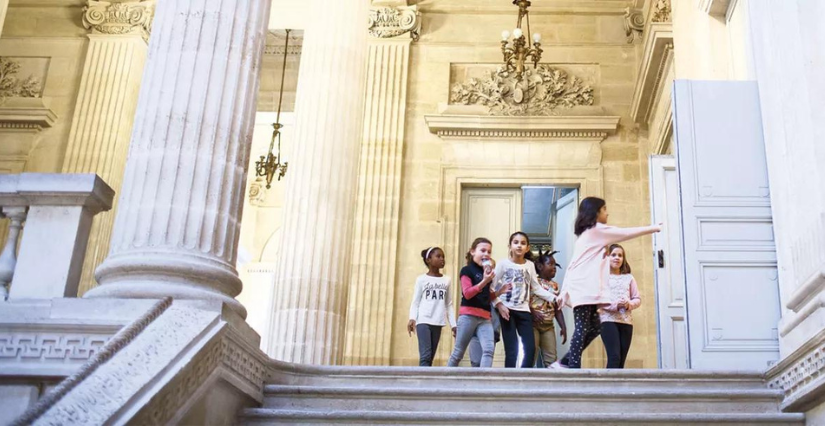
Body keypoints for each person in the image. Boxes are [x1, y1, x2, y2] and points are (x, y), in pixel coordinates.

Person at [552, 197, 660, 369]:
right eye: (604, 209)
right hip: (584, 288)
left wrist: (565, 290)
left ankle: (565, 362)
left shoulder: (586, 235)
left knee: (595, 327)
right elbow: (625, 233)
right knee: (582, 327)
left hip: (583, 287)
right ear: (596, 212)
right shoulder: (595, 230)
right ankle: (571, 367)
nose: (607, 213)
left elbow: (573, 264)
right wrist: (654, 228)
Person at [492, 232, 557, 368]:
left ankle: (524, 377)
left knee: (530, 349)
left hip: (524, 311)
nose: (519, 246)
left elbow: (536, 288)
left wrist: (556, 298)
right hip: (507, 311)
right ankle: (509, 382)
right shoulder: (503, 264)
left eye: (522, 243)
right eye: (516, 242)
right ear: (510, 246)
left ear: (527, 248)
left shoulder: (530, 265)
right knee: (512, 350)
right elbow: (491, 288)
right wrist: (499, 305)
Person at [447, 238, 507, 368]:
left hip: (485, 318)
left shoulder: (487, 273)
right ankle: (445, 380)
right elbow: (467, 293)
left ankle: (483, 383)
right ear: (473, 251)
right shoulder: (466, 270)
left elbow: (486, 297)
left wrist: (499, 292)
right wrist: (485, 281)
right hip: (468, 316)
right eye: (482, 250)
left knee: (488, 350)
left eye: (489, 252)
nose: (486, 254)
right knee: (458, 353)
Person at [408, 247, 457, 366]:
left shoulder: (447, 280)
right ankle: (422, 383)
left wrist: (454, 325)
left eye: (443, 257)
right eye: (438, 256)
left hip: (438, 321)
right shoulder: (421, 279)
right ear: (429, 260)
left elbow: (448, 304)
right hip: (423, 320)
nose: (442, 259)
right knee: (425, 356)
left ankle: (425, 382)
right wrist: (412, 318)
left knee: (430, 358)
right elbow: (416, 301)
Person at [600, 244, 641, 369]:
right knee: (614, 357)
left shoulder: (629, 278)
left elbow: (637, 298)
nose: (617, 258)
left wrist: (629, 304)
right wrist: (615, 306)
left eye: (620, 255)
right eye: (613, 255)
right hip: (608, 320)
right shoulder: (601, 278)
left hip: (626, 321)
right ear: (607, 257)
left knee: (621, 360)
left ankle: (618, 388)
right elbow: (598, 300)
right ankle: (608, 388)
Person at [530, 250, 567, 367]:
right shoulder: (533, 281)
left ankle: (551, 384)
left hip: (548, 326)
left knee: (551, 358)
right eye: (550, 264)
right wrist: (533, 312)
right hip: (533, 324)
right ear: (540, 266)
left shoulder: (555, 285)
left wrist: (563, 326)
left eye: (555, 265)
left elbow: (557, 308)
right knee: (531, 355)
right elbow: (524, 300)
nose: (554, 267)